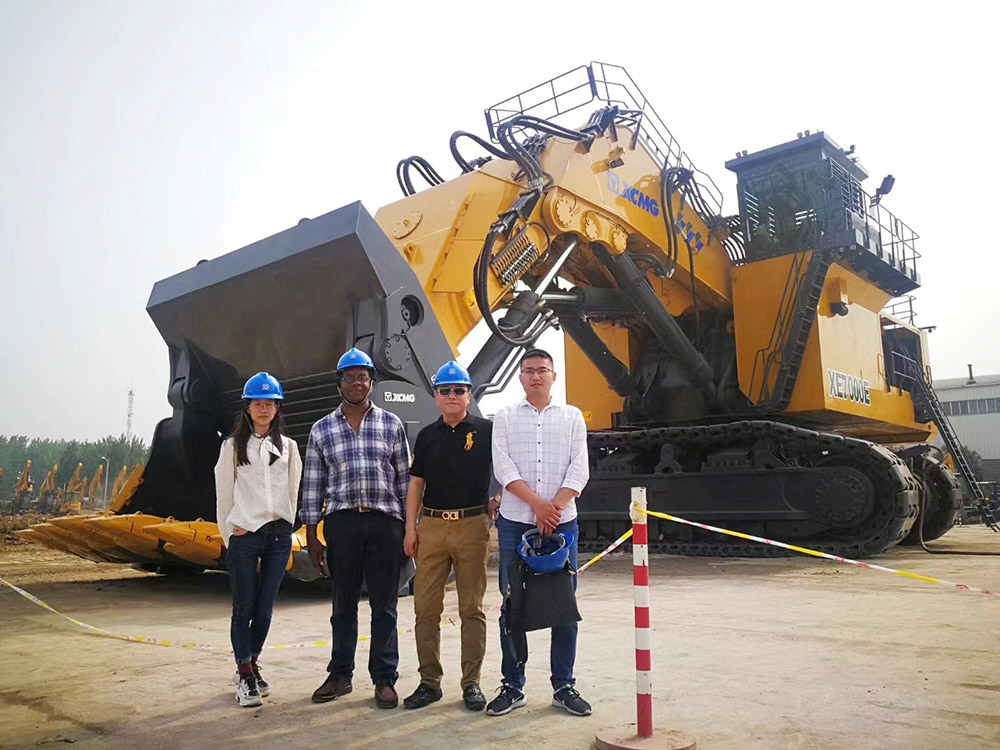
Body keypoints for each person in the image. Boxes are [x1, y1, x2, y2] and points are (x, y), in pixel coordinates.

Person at [302, 347, 411, 709]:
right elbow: (313, 485)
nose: (356, 383)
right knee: (342, 603)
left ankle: (384, 678)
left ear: (371, 383)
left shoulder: (391, 425)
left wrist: (411, 528)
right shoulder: (322, 429)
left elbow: (405, 481)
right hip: (342, 524)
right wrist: (312, 535)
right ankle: (340, 674)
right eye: (349, 377)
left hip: (385, 523)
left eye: (362, 377)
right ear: (340, 383)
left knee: (385, 604)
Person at [487, 348, 592, 717]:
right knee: (512, 604)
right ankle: (512, 686)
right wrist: (538, 506)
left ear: (553, 376)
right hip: (516, 522)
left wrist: (554, 508)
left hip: (563, 523)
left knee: (563, 604)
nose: (536, 376)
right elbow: (503, 466)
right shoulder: (504, 417)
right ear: (520, 377)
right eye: (529, 370)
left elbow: (580, 466)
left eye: (542, 370)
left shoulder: (572, 417)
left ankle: (564, 685)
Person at [402, 361, 493, 712]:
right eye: (445, 390)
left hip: (472, 526)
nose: (452, 396)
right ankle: (429, 682)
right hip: (433, 527)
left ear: (469, 394)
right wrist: (411, 528)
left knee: (472, 609)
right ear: (436, 397)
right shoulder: (426, 436)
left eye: (458, 390)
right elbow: (416, 484)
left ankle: (472, 683)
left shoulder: (486, 431)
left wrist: (499, 497)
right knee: (425, 609)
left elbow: (505, 469)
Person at [215, 372, 302, 708]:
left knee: (265, 607)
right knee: (244, 607)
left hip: (278, 535)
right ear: (247, 408)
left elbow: (293, 489)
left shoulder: (289, 448)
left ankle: (250, 662)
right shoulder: (233, 447)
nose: (263, 408)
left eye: (269, 403)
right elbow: (223, 492)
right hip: (245, 535)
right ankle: (246, 675)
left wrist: (288, 526)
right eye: (257, 403)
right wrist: (229, 533)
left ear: (277, 408)